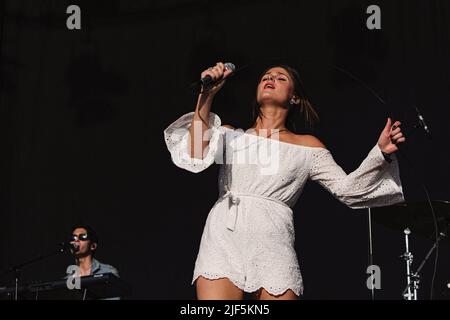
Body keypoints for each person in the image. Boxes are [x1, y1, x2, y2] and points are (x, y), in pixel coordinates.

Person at [164, 62, 406, 300]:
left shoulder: (307, 146)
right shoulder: (230, 135)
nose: (270, 79)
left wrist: (381, 153)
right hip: (224, 234)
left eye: (281, 78)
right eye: (265, 77)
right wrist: (206, 95)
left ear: (295, 98)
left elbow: (348, 190)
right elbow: (194, 154)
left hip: (274, 240)